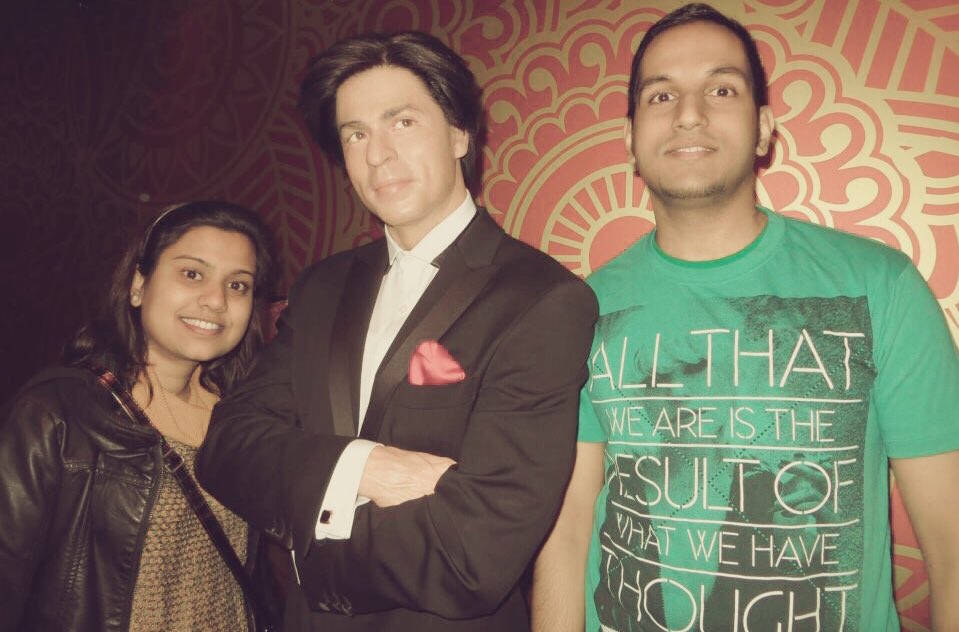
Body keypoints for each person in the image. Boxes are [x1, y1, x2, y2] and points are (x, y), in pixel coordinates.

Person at [531, 4, 959, 631]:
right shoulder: (579, 309)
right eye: (661, 95)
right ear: (629, 139)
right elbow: (567, 533)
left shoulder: (881, 287)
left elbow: (951, 547)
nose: (689, 114)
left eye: (721, 89)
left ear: (763, 129)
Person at [194, 31, 598, 631]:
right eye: (355, 134)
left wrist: (313, 550)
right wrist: (368, 466)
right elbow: (227, 448)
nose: (377, 155)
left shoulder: (542, 299)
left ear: (459, 134)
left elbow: (474, 554)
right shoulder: (322, 286)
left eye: (402, 122)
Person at [0, 200, 277, 631]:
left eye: (238, 285)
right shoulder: (57, 414)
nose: (216, 300)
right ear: (137, 286)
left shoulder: (243, 419)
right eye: (192, 274)